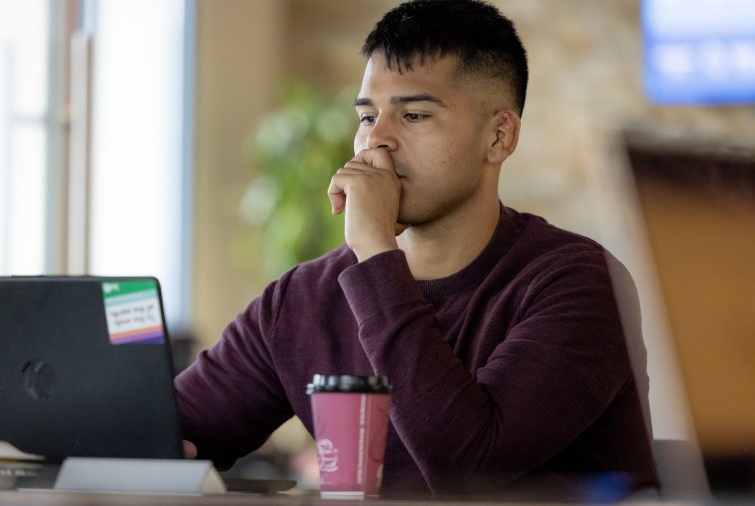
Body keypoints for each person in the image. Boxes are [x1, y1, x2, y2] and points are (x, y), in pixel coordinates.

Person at [175, 0, 656, 499]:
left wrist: (375, 249)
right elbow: (166, 433)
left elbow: (468, 466)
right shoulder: (304, 298)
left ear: (499, 135)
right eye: (367, 116)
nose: (375, 142)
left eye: (415, 114)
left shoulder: (580, 283)